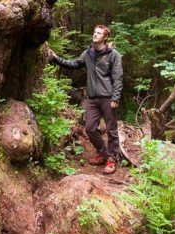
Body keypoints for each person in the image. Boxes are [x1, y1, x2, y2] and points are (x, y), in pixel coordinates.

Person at [46, 25, 123, 175]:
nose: (95, 35)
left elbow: (118, 77)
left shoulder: (113, 54)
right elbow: (74, 64)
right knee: (90, 128)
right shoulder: (88, 53)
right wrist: (56, 59)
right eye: (94, 32)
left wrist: (116, 97)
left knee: (111, 130)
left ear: (105, 37)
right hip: (92, 98)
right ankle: (104, 153)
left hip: (108, 97)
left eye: (99, 33)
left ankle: (112, 160)